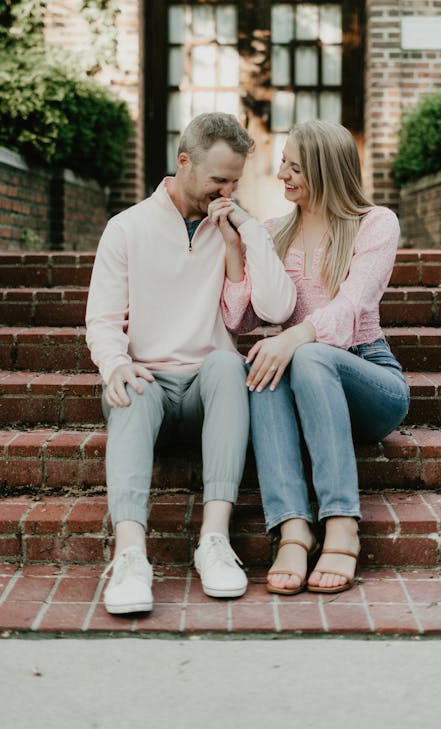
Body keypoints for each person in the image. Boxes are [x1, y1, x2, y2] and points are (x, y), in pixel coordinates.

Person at [85, 112, 296, 613]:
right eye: (218, 180)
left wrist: (248, 233)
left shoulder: (234, 229)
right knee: (131, 381)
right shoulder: (127, 228)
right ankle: (131, 555)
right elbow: (103, 319)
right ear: (184, 162)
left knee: (228, 364)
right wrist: (114, 364)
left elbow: (275, 310)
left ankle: (214, 542)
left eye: (235, 182)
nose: (226, 191)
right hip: (149, 385)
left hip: (209, 386)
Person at [239, 120, 410, 595]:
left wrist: (294, 338)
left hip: (369, 378)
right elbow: (242, 319)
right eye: (283, 164)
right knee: (261, 365)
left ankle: (341, 522)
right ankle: (293, 528)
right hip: (298, 380)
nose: (282, 175)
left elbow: (352, 305)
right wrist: (237, 250)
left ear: (324, 168)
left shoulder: (375, 224)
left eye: (295, 166)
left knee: (309, 355)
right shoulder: (273, 232)